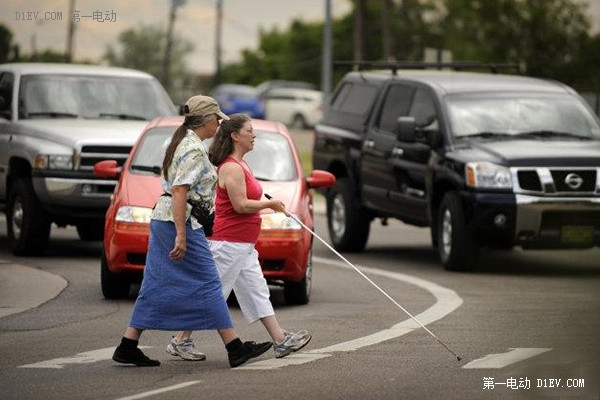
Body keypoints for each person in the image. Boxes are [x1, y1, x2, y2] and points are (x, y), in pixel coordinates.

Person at [112, 96, 272, 368]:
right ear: (207, 120)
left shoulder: (185, 141)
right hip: (180, 223)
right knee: (209, 282)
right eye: (217, 118)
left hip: (170, 221)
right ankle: (234, 347)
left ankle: (128, 345)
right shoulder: (192, 148)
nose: (220, 123)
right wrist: (181, 235)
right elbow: (179, 190)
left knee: (155, 282)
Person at [167, 113, 311, 361]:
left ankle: (280, 340)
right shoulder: (231, 167)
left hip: (243, 245)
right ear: (235, 136)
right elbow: (240, 205)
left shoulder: (242, 164)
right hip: (228, 243)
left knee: (257, 291)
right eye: (249, 131)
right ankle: (181, 339)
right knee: (212, 293)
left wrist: (267, 203)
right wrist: (271, 205)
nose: (254, 135)